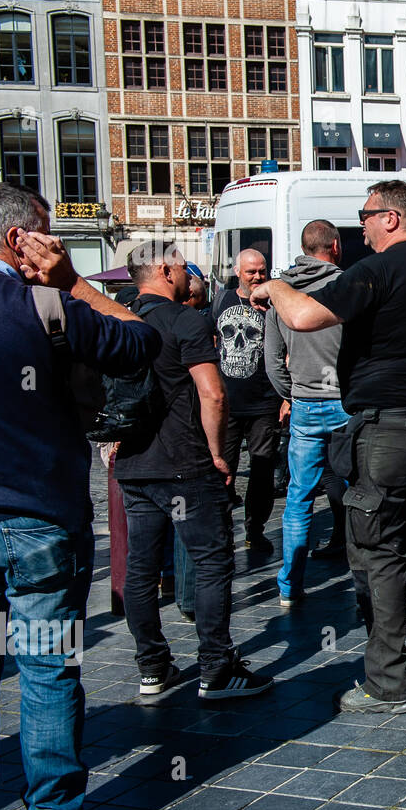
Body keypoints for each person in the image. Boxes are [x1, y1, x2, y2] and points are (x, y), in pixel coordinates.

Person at [251, 180, 406, 712]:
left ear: (392, 219)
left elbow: (304, 316)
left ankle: (388, 683)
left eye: (366, 216)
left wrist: (274, 288)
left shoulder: (376, 270)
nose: (362, 228)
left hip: (387, 430)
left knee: (378, 552)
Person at [0, 183, 160, 810]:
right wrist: (74, 280)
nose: (54, 242)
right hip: (39, 515)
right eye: (47, 230)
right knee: (47, 667)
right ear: (17, 239)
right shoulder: (43, 306)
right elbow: (141, 341)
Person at [115, 242, 275, 701]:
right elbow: (213, 394)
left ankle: (152, 667)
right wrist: (218, 454)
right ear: (165, 272)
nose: (190, 276)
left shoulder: (121, 318)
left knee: (141, 570)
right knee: (210, 562)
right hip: (184, 461)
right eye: (183, 268)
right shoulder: (185, 319)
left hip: (134, 462)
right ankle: (216, 669)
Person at [264, 219, 350, 607]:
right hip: (345, 401)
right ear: (334, 246)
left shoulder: (282, 292)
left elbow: (271, 362)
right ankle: (365, 572)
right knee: (359, 488)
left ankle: (289, 585)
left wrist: (293, 391)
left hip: (305, 404)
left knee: (299, 498)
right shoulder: (348, 286)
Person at [212, 248, 289, 553]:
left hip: (264, 404)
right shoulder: (221, 302)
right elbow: (211, 344)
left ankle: (254, 529)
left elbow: (287, 352)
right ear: (237, 271)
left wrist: (286, 398)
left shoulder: (275, 305)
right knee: (222, 469)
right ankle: (220, 531)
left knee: (262, 470)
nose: (258, 276)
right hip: (227, 404)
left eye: (262, 271)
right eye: (251, 272)